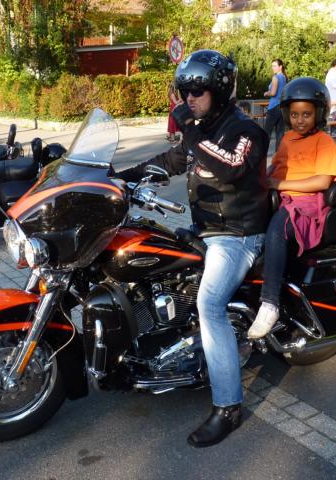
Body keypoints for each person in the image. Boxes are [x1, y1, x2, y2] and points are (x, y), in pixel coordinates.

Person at [116, 50, 269, 448]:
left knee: (210, 305)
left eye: (197, 92)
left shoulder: (246, 130)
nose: (189, 99)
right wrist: (114, 177)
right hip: (207, 228)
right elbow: (170, 159)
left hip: (237, 235)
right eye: (185, 92)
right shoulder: (201, 128)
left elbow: (231, 168)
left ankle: (228, 407)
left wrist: (189, 129)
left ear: (218, 91)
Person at [247, 77, 336, 339]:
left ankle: (270, 304)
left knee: (278, 229)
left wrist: (280, 184)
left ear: (319, 114)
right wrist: (256, 180)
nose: (300, 120)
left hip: (307, 204)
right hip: (283, 197)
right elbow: (275, 167)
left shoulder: (324, 142)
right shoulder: (288, 138)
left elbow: (322, 182)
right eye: (295, 114)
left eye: (307, 114)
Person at [263, 59, 288, 151]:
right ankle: (279, 156)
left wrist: (266, 93)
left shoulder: (276, 77)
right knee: (280, 134)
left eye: (274, 66)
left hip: (274, 107)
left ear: (280, 67)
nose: (272, 68)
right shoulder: (284, 77)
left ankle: (262, 154)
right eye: (272, 66)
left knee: (266, 132)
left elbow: (273, 93)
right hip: (282, 107)